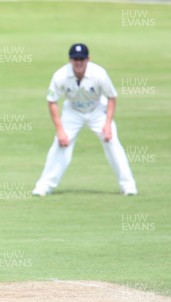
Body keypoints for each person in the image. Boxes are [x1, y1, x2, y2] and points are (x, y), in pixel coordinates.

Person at [32, 43, 137, 196]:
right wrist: (60, 130)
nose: (79, 62)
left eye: (82, 59)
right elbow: (52, 101)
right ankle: (44, 186)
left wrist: (107, 125)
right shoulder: (60, 75)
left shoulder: (99, 74)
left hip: (97, 109)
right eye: (75, 59)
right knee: (60, 144)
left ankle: (128, 186)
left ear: (88, 59)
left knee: (112, 141)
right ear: (70, 60)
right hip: (73, 111)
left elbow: (112, 97)